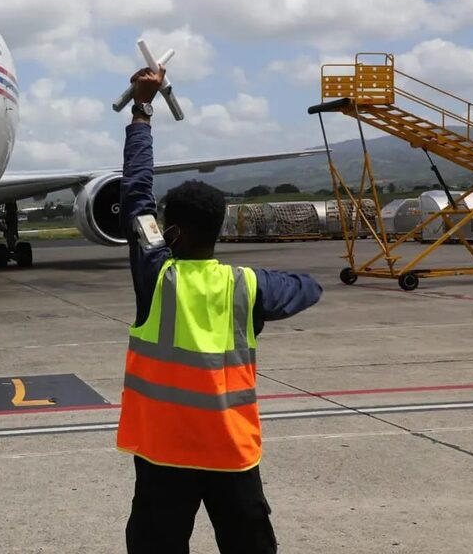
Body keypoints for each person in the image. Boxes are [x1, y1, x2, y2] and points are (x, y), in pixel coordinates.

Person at [118, 67, 323, 554]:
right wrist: (275, 287)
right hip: (231, 455)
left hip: (163, 456)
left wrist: (141, 113)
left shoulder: (157, 275)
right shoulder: (248, 286)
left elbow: (135, 196)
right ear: (218, 228)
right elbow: (309, 288)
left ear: (173, 232)